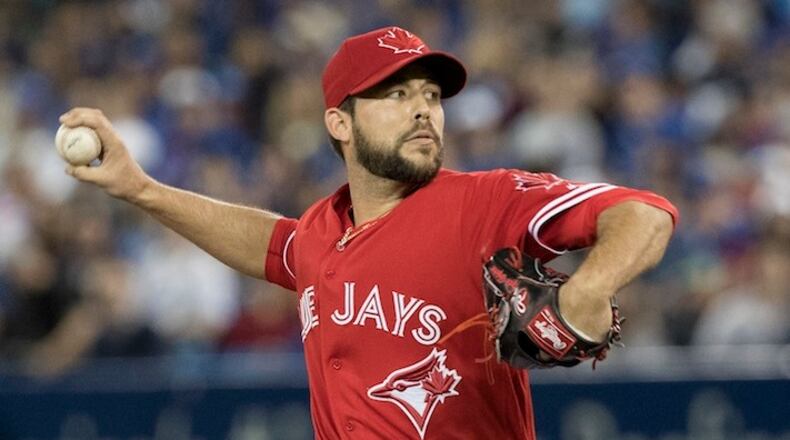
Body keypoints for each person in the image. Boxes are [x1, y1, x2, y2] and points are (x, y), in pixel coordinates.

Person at [61, 26, 677, 440]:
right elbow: (275, 246)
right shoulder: (323, 229)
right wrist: (141, 188)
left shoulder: (483, 203)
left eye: (432, 95)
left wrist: (591, 287)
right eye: (396, 93)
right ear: (340, 122)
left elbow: (642, 212)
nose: (423, 109)